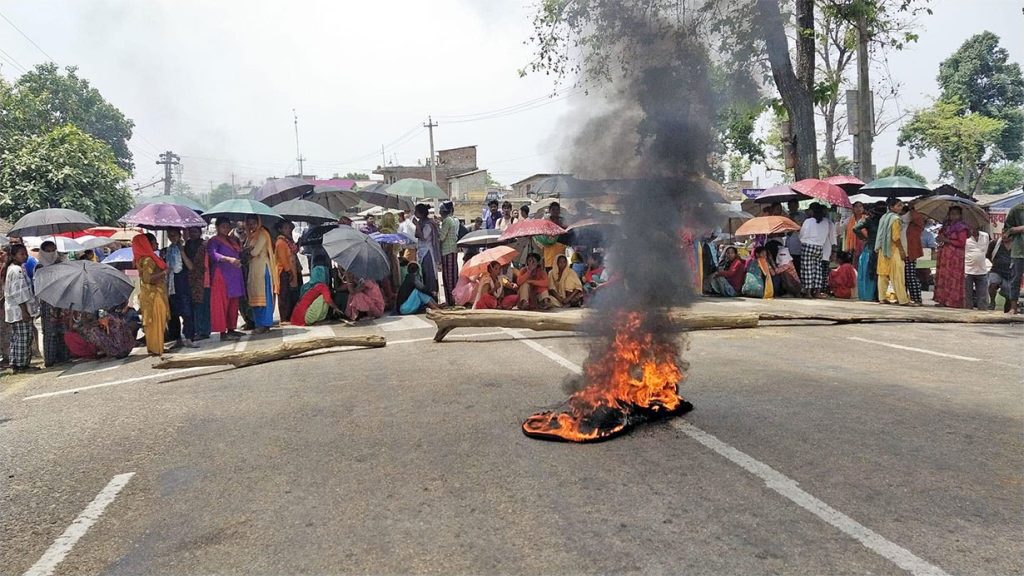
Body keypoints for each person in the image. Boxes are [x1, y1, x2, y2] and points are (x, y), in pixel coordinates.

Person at [3, 244, 40, 372]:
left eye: (25, 253)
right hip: (19, 310)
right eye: (21, 254)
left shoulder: (16, 268)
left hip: (15, 309)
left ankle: (16, 363)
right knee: (24, 338)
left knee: (18, 337)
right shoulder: (16, 270)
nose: (25, 256)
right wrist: (24, 311)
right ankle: (21, 365)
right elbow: (19, 293)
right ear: (14, 256)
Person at [207, 218, 245, 341]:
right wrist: (228, 259)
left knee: (234, 303)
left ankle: (231, 329)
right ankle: (223, 332)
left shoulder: (232, 240)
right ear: (217, 227)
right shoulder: (214, 241)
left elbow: (239, 252)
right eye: (223, 226)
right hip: (221, 274)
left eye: (227, 226)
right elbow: (213, 255)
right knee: (222, 303)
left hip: (234, 274)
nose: (226, 229)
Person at [132, 233, 169, 356]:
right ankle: (157, 348)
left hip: (149, 295)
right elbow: (148, 279)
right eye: (154, 242)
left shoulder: (142, 259)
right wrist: (164, 273)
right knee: (156, 321)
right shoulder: (148, 260)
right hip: (154, 295)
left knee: (153, 322)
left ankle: (155, 347)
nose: (157, 244)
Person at [36, 240, 71, 367]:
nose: (50, 253)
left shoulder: (60, 263)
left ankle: (64, 356)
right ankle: (50, 359)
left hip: (61, 300)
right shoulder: (40, 267)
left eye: (53, 250)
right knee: (50, 331)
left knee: (63, 329)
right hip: (47, 302)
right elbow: (40, 285)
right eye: (48, 251)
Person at [243, 215, 279, 334]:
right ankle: (259, 324)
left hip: (263, 269)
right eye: (249, 223)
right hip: (254, 269)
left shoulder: (263, 234)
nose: (251, 226)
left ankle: (265, 324)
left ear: (258, 223)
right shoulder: (251, 235)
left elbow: (254, 251)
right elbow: (245, 249)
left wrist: (246, 251)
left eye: (253, 223)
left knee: (264, 299)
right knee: (255, 297)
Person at [164, 228, 198, 349]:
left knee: (187, 311)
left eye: (174, 235)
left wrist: (182, 251)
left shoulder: (186, 248)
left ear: (179, 235)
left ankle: (189, 337)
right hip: (171, 284)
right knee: (173, 313)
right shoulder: (167, 250)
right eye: (170, 235)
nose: (172, 238)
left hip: (183, 282)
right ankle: (176, 338)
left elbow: (191, 266)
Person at [875, 197, 910, 305]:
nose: (901, 207)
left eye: (901, 205)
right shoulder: (895, 219)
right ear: (891, 207)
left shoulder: (883, 217)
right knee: (898, 275)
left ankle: (882, 298)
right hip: (893, 250)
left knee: (882, 274)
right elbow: (895, 237)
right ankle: (902, 300)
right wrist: (902, 251)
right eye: (898, 205)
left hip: (882, 250)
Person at [934, 206, 969, 308]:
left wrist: (947, 240)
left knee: (953, 277)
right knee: (943, 276)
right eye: (951, 214)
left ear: (960, 215)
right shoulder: (946, 226)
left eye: (956, 214)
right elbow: (940, 238)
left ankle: (953, 301)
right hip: (945, 255)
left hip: (956, 256)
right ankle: (942, 300)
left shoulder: (962, 228)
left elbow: (962, 243)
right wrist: (940, 238)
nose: (953, 216)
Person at [798, 204, 832, 298]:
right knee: (818, 269)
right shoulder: (825, 222)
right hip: (819, 246)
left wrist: (802, 240)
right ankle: (817, 291)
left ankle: (808, 292)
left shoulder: (808, 221)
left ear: (812, 211)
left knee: (807, 269)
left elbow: (802, 234)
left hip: (808, 245)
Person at [184, 227, 210, 341]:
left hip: (202, 279)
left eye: (195, 232)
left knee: (202, 306)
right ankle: (197, 329)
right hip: (190, 280)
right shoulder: (187, 245)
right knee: (194, 305)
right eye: (191, 232)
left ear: (200, 232)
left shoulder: (204, 245)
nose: (192, 234)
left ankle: (203, 330)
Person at [275, 220, 301, 323]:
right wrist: (289, 271)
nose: (288, 230)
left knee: (291, 294)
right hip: (284, 272)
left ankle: (290, 315)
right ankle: (284, 317)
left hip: (291, 270)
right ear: (280, 230)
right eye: (285, 228)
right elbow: (283, 259)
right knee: (284, 295)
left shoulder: (289, 241)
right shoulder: (281, 242)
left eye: (289, 228)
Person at [414, 203, 441, 298]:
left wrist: (417, 225)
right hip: (421, 251)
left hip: (427, 252)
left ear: (420, 213)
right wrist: (417, 225)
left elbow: (423, 237)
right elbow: (416, 235)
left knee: (429, 274)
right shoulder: (421, 222)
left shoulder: (428, 224)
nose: (414, 213)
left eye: (416, 211)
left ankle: (432, 296)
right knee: (423, 274)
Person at [901, 202, 925, 305]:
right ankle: (904, 297)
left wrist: (912, 209)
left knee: (910, 277)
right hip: (900, 253)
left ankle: (917, 298)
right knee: (901, 277)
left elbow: (917, 217)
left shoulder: (915, 225)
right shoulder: (899, 223)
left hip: (910, 254)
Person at [1002, 202, 1024, 314]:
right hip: (1019, 251)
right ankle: (1013, 307)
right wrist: (1019, 229)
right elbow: (1006, 231)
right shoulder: (1016, 209)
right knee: (1015, 279)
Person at [963, 227, 991, 310]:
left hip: (982, 269)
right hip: (968, 269)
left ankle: (982, 310)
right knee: (968, 294)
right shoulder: (965, 238)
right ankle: (968, 310)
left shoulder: (985, 236)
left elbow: (985, 250)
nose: (973, 230)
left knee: (982, 294)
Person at [438, 201, 460, 306]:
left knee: (449, 277)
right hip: (451, 250)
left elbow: (441, 237)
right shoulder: (451, 220)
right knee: (451, 276)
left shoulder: (447, 221)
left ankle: (451, 301)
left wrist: (436, 228)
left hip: (448, 251)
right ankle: (451, 300)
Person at [987, 234, 1014, 312]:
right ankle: (992, 302)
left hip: (1010, 274)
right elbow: (988, 255)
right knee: (993, 284)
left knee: (1009, 295)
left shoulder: (1016, 245)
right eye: (1003, 233)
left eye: (1007, 234)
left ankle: (1007, 311)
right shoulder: (994, 243)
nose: (1005, 236)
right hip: (996, 270)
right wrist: (995, 262)